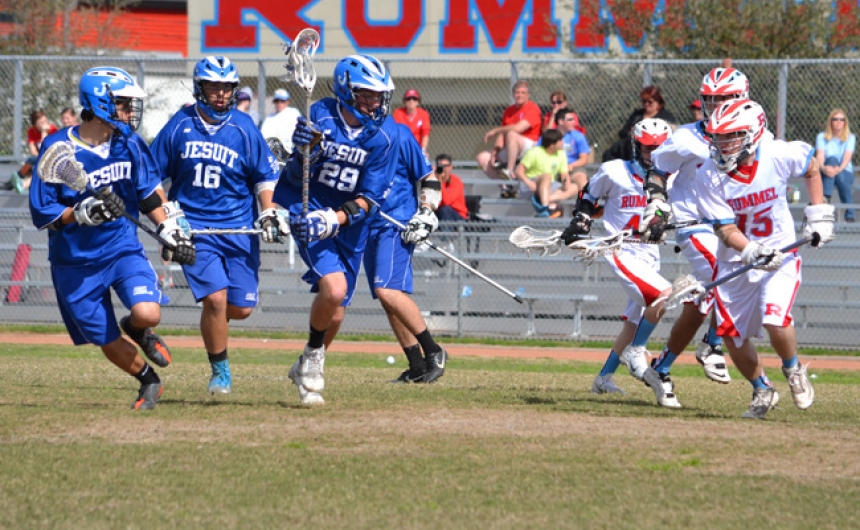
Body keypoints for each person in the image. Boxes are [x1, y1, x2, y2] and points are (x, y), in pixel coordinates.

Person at [29, 66, 196, 410]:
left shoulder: (129, 142)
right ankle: (148, 380)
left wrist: (168, 229)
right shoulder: (57, 147)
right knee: (103, 337)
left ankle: (137, 329)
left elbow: (148, 193)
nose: (130, 110)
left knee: (148, 313)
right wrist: (79, 213)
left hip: (121, 249)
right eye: (123, 103)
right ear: (100, 103)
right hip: (75, 262)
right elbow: (43, 214)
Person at [692, 99, 833, 419]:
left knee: (774, 317)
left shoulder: (777, 154)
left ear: (753, 133)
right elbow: (724, 228)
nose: (722, 143)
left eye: (731, 135)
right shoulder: (708, 175)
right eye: (718, 136)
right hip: (736, 260)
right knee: (731, 334)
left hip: (781, 253)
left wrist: (819, 213)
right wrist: (750, 250)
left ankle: (793, 369)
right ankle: (762, 389)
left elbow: (811, 166)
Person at [151, 55, 283, 396]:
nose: (221, 94)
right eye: (214, 87)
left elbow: (265, 176)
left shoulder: (243, 127)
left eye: (227, 87)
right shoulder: (179, 125)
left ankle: (216, 329)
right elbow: (150, 177)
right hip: (195, 230)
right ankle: (220, 369)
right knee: (215, 299)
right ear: (200, 88)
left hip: (238, 228)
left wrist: (268, 211)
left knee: (241, 307)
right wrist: (167, 219)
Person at [273, 54, 400, 406]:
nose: (375, 102)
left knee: (338, 308)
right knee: (334, 289)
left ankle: (305, 362)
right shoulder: (320, 114)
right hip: (310, 208)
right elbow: (297, 175)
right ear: (347, 91)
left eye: (379, 95)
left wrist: (335, 219)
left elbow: (369, 199)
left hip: (348, 223)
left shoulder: (384, 137)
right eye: (368, 94)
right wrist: (304, 153)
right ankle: (315, 358)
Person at [643, 67, 760, 405]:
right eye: (710, 99)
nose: (714, 105)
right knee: (720, 277)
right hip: (695, 222)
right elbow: (658, 168)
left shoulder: (755, 133)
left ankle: (662, 367)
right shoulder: (686, 137)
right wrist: (657, 203)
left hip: (731, 224)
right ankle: (713, 343)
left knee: (702, 300)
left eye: (722, 98)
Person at [562, 118, 677, 407]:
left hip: (650, 254)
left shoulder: (672, 178)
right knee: (664, 296)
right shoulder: (615, 170)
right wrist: (582, 218)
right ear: (636, 146)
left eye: (659, 148)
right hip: (621, 250)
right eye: (648, 148)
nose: (653, 153)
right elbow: (589, 194)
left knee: (634, 322)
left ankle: (603, 378)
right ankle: (637, 351)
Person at [322, 123, 448, 387]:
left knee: (387, 290)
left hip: (395, 222)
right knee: (388, 298)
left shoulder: (399, 133)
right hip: (365, 224)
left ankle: (433, 351)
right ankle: (416, 365)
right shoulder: (347, 136)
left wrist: (426, 212)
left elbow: (429, 177)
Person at [475, 80, 542, 197]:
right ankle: (506, 187)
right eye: (517, 92)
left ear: (528, 95)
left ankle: (509, 172)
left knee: (512, 134)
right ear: (513, 94)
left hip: (530, 146)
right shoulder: (509, 110)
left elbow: (518, 128)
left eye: (523, 93)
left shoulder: (532, 108)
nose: (519, 95)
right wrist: (495, 152)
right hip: (511, 146)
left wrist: (495, 130)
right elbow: (502, 134)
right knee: (482, 157)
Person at [514, 129, 583, 218]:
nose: (563, 143)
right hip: (529, 185)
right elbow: (518, 171)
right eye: (560, 141)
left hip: (549, 185)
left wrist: (566, 183)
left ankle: (545, 200)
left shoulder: (561, 154)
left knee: (574, 187)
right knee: (547, 176)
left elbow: (564, 174)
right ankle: (544, 208)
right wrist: (529, 182)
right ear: (552, 145)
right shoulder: (534, 152)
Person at [602, 85, 677, 162]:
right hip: (631, 146)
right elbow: (622, 133)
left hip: (653, 147)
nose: (646, 104)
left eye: (650, 102)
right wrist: (631, 132)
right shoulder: (637, 115)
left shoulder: (666, 117)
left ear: (658, 102)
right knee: (609, 154)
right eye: (644, 101)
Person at [815, 109, 856, 222]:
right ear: (830, 121)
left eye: (842, 120)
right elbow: (820, 156)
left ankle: (826, 199)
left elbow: (847, 158)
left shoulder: (850, 137)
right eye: (835, 119)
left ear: (845, 122)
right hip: (826, 171)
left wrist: (838, 170)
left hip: (845, 171)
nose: (839, 122)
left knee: (841, 177)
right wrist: (823, 168)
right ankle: (850, 212)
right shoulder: (821, 137)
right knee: (832, 159)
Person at [11, 110, 59, 194]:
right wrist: (40, 158)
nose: (45, 124)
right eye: (41, 123)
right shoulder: (32, 131)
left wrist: (44, 132)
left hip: (52, 159)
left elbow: (46, 149)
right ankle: (22, 183)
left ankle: (20, 178)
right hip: (39, 159)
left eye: (45, 121)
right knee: (33, 164)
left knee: (33, 162)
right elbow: (33, 151)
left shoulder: (53, 130)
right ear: (35, 125)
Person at [260, 88, 302, 155]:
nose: (279, 103)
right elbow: (264, 136)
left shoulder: (293, 113)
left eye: (282, 101)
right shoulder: (269, 118)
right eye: (277, 101)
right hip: (272, 152)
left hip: (290, 151)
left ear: (288, 101)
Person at [392, 89, 431, 154]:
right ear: (404, 101)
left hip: (417, 148)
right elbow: (395, 132)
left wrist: (423, 150)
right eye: (408, 99)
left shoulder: (423, 114)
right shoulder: (398, 113)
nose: (411, 101)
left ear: (418, 102)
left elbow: (425, 133)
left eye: (414, 99)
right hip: (402, 147)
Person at [556, 108, 590, 177]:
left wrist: (571, 165)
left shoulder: (578, 136)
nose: (573, 122)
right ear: (561, 121)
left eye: (573, 119)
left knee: (581, 177)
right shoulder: (549, 136)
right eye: (570, 120)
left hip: (573, 168)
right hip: (553, 167)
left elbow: (584, 159)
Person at [434, 153, 468, 221]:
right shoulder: (434, 180)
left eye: (445, 166)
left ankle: (446, 229)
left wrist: (439, 181)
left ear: (450, 167)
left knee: (445, 210)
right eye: (440, 166)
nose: (443, 168)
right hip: (439, 212)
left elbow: (447, 201)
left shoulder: (456, 181)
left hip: (457, 215)